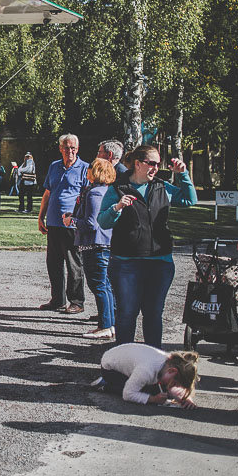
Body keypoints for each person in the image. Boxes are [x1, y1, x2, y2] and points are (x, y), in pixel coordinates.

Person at [97, 145, 197, 347]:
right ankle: (123, 363)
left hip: (159, 262)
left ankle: (154, 363)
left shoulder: (162, 187)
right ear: (137, 164)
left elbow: (189, 199)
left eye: (158, 164)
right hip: (127, 263)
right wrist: (117, 208)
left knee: (153, 313)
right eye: (151, 163)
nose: (156, 168)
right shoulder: (118, 188)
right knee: (127, 313)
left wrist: (183, 175)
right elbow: (103, 221)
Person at [63, 158, 116, 339]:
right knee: (105, 285)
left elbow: (92, 223)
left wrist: (72, 221)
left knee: (99, 285)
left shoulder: (94, 193)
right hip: (103, 243)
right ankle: (110, 323)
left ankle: (105, 325)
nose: (88, 169)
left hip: (95, 244)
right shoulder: (105, 191)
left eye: (91, 167)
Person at [38, 134, 89, 314]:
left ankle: (76, 301)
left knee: (74, 263)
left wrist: (79, 220)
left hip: (72, 225)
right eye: (66, 148)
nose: (70, 151)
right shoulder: (54, 166)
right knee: (53, 263)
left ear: (78, 148)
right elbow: (47, 193)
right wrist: (41, 216)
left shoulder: (85, 168)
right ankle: (57, 300)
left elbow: (88, 197)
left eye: (73, 148)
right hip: (53, 222)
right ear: (60, 148)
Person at [90, 343, 199, 410]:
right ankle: (106, 385)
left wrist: (186, 398)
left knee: (161, 389)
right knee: (148, 391)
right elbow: (128, 394)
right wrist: (153, 399)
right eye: (174, 383)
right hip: (110, 369)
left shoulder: (171, 363)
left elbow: (171, 385)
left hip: (128, 361)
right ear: (172, 371)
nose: (172, 386)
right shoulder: (147, 370)